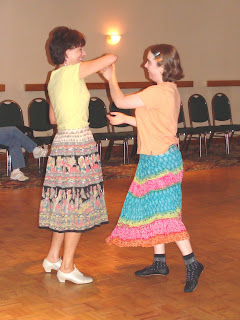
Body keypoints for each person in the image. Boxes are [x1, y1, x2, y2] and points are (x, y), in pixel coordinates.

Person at [102, 44, 203, 293]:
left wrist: (110, 76)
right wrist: (127, 119)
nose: (145, 65)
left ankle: (193, 263)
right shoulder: (167, 90)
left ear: (163, 66)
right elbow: (155, 122)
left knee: (167, 215)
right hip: (153, 157)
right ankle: (160, 263)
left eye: (149, 62)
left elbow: (120, 100)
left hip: (162, 160)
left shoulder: (158, 91)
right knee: (154, 211)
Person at [39, 26, 117, 285]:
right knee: (76, 206)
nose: (84, 53)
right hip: (78, 146)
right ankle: (67, 266)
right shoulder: (72, 72)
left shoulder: (53, 77)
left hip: (61, 143)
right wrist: (106, 71)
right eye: (79, 48)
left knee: (64, 204)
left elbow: (52, 118)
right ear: (67, 52)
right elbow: (111, 57)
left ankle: (52, 257)